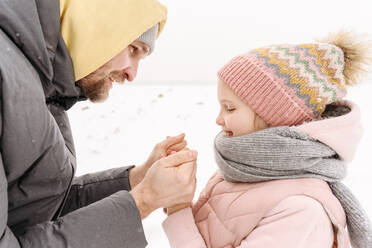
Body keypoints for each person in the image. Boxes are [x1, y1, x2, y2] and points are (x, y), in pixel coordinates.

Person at [0, 0, 197, 247]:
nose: (132, 74)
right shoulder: (7, 75)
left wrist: (136, 180)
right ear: (97, 24)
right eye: (133, 49)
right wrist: (144, 201)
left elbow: (37, 209)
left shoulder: (42, 88)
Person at [162, 31, 372, 248]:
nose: (218, 119)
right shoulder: (244, 170)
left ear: (274, 115)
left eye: (230, 108)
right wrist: (178, 199)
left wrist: (179, 209)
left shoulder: (301, 211)